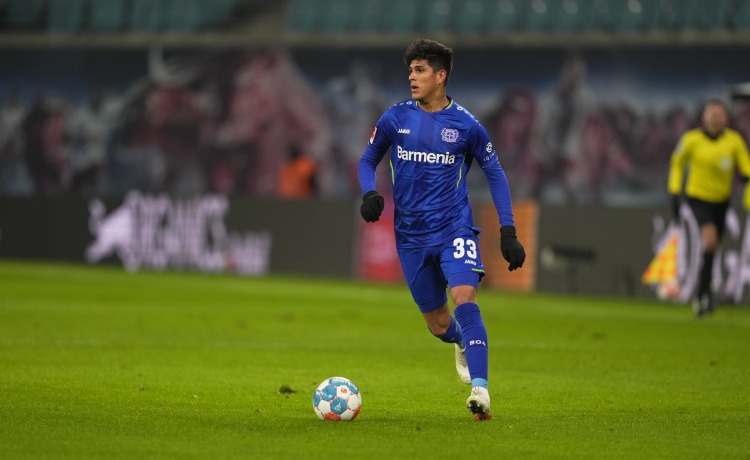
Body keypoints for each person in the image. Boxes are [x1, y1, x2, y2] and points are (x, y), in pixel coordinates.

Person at [357, 38, 526, 421]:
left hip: (454, 229)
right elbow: (367, 160)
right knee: (438, 324)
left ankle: (481, 390)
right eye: (410, 70)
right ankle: (460, 342)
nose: (411, 77)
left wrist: (508, 230)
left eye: (419, 70)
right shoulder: (395, 118)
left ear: (440, 75)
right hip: (411, 237)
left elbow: (496, 174)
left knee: (465, 297)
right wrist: (369, 192)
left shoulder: (467, 125)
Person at [668, 100, 750, 317]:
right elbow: (677, 163)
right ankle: (703, 295)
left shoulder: (733, 141)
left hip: (721, 202)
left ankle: (703, 295)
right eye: (711, 114)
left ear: (726, 118)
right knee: (711, 241)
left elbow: (746, 168)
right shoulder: (691, 140)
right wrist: (675, 192)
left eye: (719, 114)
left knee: (712, 249)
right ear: (703, 117)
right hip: (698, 199)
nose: (715, 118)